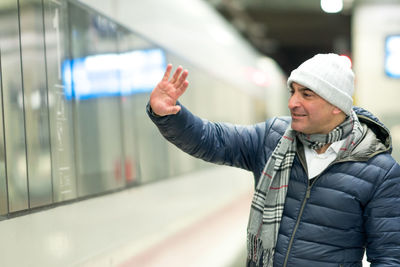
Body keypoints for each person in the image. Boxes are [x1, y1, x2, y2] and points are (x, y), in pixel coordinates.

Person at [146, 53, 400, 267]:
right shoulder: (273, 138)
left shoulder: (379, 171)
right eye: (293, 91)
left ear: (336, 105)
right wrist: (169, 115)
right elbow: (213, 140)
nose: (292, 103)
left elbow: (390, 256)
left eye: (306, 94)